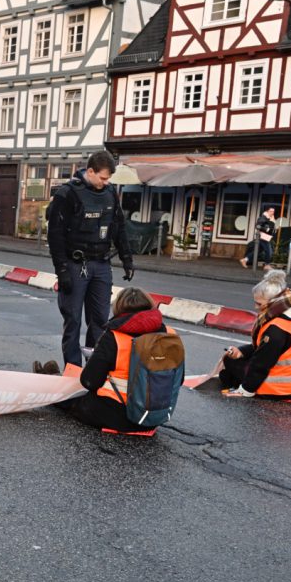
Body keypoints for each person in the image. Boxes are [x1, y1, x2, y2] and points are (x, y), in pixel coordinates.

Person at [35, 287, 176, 433]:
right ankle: (53, 377)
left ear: (119, 308)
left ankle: (49, 381)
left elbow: (89, 381)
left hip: (118, 417)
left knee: (73, 399)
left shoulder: (114, 338)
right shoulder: (170, 335)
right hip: (153, 418)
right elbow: (178, 378)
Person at [47, 151, 135, 369]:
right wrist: (62, 271)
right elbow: (55, 235)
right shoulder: (68, 194)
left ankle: (93, 370)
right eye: (103, 178)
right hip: (75, 265)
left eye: (109, 179)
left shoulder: (110, 194)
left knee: (100, 322)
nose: (106, 183)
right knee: (73, 321)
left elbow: (119, 227)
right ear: (91, 171)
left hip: (101, 265)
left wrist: (127, 258)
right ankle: (73, 370)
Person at [218, 269, 291, 401]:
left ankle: (241, 385)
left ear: (273, 303)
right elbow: (267, 349)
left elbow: (260, 364)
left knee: (230, 363)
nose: (255, 307)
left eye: (259, 304)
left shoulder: (277, 329)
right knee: (239, 362)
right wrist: (241, 352)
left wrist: (245, 390)